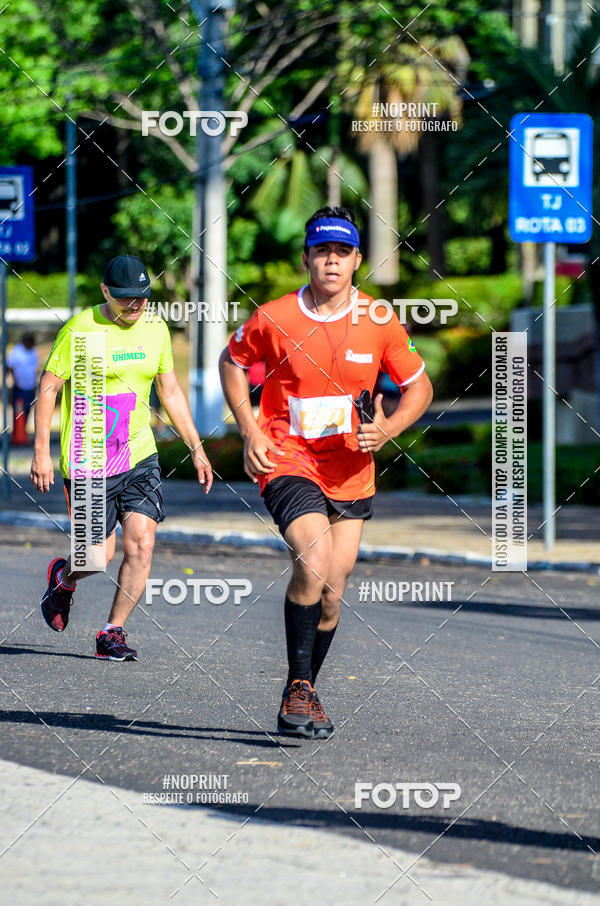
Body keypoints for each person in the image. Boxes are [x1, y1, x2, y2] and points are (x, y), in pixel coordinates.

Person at [219, 206, 433, 738]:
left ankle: (302, 693)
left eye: (342, 252)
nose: (331, 262)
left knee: (333, 594)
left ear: (358, 260)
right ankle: (298, 688)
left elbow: (419, 388)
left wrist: (388, 431)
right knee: (311, 563)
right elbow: (231, 361)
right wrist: (250, 428)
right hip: (288, 460)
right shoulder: (274, 317)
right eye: (322, 252)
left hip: (352, 470)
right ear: (307, 258)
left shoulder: (380, 320)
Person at [31, 254, 213, 661]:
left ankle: (112, 632)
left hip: (139, 454)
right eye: (125, 299)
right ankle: (64, 579)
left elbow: (169, 391)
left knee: (142, 545)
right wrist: (41, 451)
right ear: (105, 291)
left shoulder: (155, 328)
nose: (134, 307)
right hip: (88, 456)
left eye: (142, 299)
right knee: (96, 557)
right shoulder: (82, 329)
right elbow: (49, 387)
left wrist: (196, 447)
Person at [7, 331, 38, 441]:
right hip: (19, 388)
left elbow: (34, 369)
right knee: (19, 412)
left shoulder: (33, 352)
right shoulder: (17, 351)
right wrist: (15, 381)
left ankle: (22, 434)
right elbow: (10, 367)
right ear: (25, 342)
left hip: (30, 387)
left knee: (28, 411)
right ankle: (16, 436)